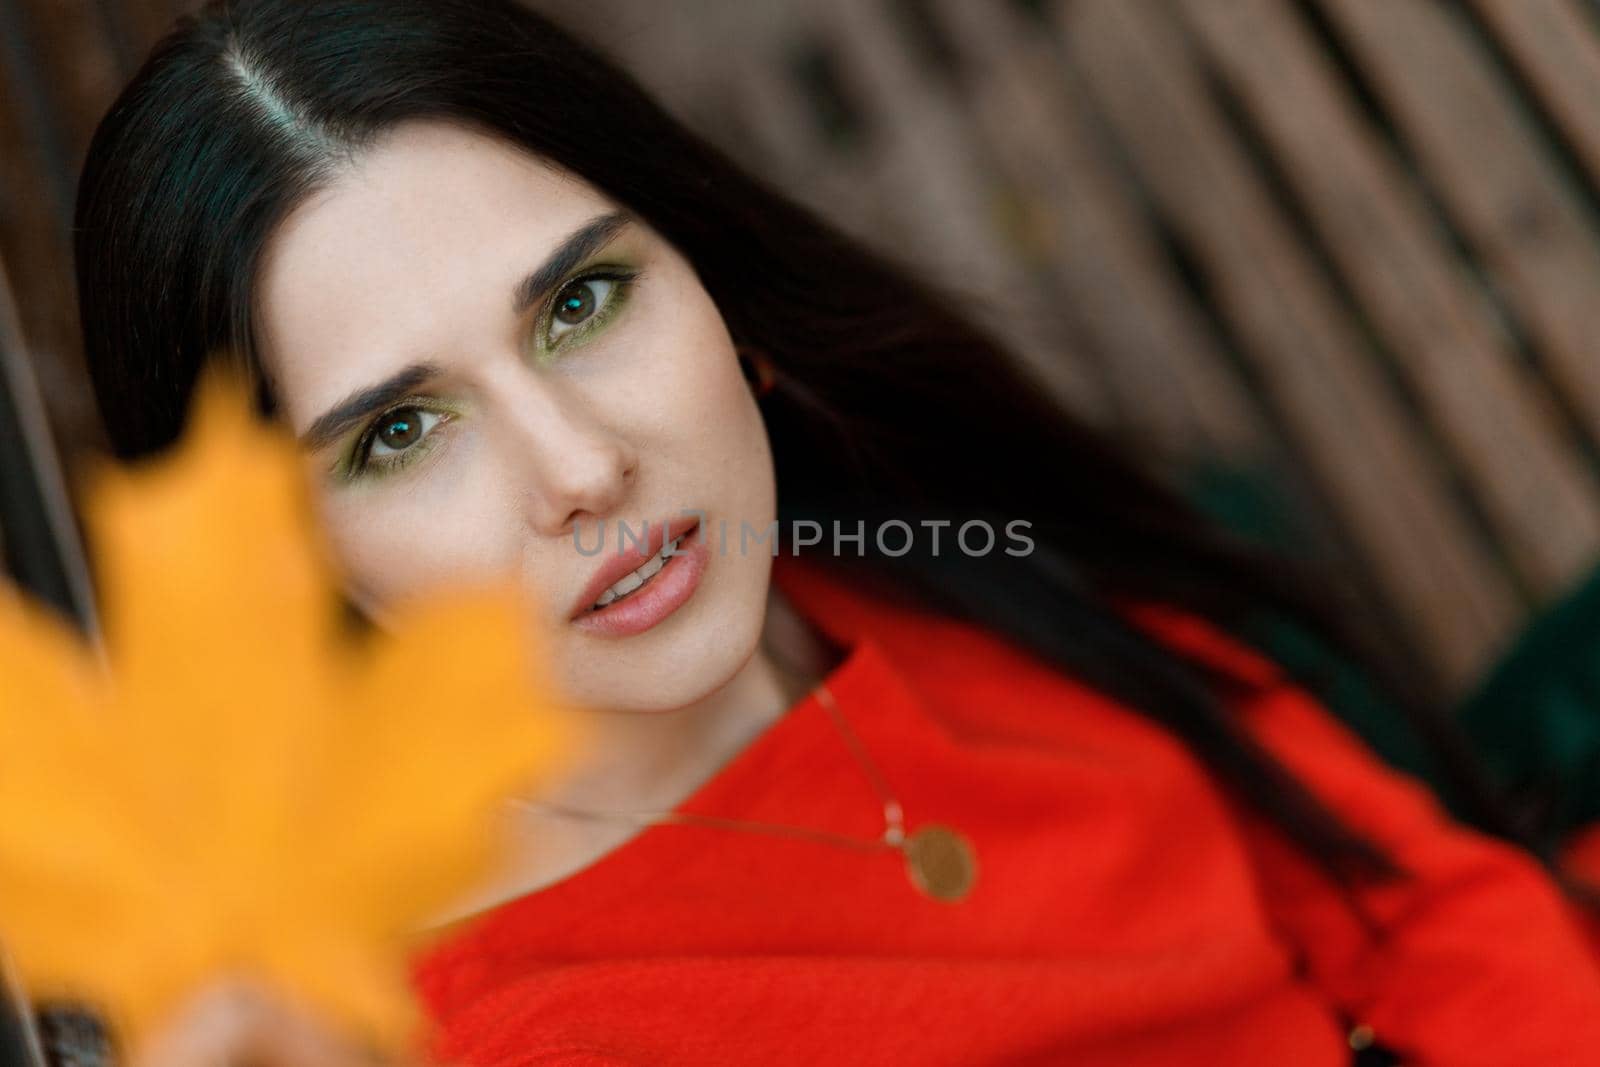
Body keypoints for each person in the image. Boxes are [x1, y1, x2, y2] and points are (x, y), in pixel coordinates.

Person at [69, 1, 1600, 1064]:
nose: (581, 466)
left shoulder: (889, 545)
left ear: (716, 285)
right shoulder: (518, 1035)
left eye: (581, 303)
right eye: (399, 433)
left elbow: (1377, 868)